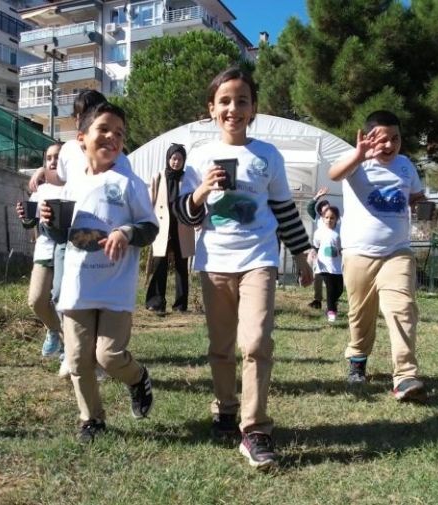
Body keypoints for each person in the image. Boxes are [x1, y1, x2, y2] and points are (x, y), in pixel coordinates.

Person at [172, 66, 313, 470]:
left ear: (253, 109)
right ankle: (225, 407)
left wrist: (302, 254)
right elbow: (187, 215)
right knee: (221, 346)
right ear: (211, 109)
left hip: (259, 261)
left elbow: (284, 209)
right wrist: (201, 190)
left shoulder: (267, 155)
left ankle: (255, 430)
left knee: (256, 343)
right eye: (225, 101)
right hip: (214, 262)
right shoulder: (197, 156)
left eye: (242, 101)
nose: (234, 108)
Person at [41, 102, 159, 443]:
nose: (112, 137)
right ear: (82, 139)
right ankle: (91, 419)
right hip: (78, 286)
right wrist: (48, 223)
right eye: (104, 129)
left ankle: (137, 378)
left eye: (119, 133)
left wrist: (125, 233)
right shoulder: (72, 186)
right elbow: (63, 236)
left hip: (114, 288)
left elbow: (149, 227)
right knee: (78, 358)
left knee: (108, 356)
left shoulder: (127, 182)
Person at [30, 90, 129, 380]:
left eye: (88, 112)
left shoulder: (115, 152)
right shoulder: (70, 149)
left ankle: (98, 359)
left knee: (95, 300)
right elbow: (59, 178)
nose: (81, 119)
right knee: (62, 292)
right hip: (68, 231)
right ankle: (71, 351)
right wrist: (40, 172)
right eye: (78, 115)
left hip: (102, 235)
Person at [328, 110, 426, 401]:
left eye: (395, 139)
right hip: (358, 253)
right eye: (383, 140)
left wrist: (422, 204)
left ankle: (405, 376)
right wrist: (359, 155)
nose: (390, 145)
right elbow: (334, 174)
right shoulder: (356, 162)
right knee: (361, 313)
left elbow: (415, 197)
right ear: (369, 138)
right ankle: (357, 359)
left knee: (402, 308)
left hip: (397, 251)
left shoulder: (406, 166)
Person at [17, 143, 64, 358]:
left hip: (69, 251)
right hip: (45, 252)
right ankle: (54, 331)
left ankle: (73, 346)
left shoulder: (77, 184)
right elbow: (31, 221)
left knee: (62, 301)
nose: (53, 161)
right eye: (49, 158)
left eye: (58, 156)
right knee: (36, 300)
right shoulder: (42, 189)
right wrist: (25, 216)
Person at [145, 143, 195, 313]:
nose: (176, 162)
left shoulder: (188, 178)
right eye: (173, 158)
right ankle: (156, 302)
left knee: (182, 267)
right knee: (160, 264)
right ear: (168, 159)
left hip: (182, 225)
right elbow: (150, 200)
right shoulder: (158, 177)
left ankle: (181, 305)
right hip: (162, 226)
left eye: (180, 159)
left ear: (184, 161)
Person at [309, 205, 343, 323]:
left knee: (339, 289)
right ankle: (331, 312)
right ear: (323, 218)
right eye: (326, 217)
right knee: (330, 288)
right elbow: (315, 246)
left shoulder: (340, 231)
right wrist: (313, 252)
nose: (329, 220)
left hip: (337, 266)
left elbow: (343, 246)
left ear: (337, 219)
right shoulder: (319, 232)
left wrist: (343, 251)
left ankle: (332, 303)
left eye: (332, 218)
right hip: (324, 264)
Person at [305, 186, 331, 310]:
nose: (328, 212)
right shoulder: (318, 219)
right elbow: (309, 208)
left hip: (331, 251)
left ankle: (332, 301)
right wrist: (317, 196)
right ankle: (317, 300)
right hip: (319, 250)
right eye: (325, 210)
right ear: (320, 212)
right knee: (318, 275)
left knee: (332, 276)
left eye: (329, 209)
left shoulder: (336, 220)